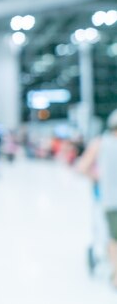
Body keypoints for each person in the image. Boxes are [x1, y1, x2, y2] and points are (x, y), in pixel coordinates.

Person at [78, 110, 117, 287]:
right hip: (111, 200)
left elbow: (82, 167)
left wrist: (98, 178)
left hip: (110, 200)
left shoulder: (100, 143)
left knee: (113, 238)